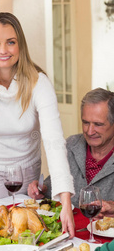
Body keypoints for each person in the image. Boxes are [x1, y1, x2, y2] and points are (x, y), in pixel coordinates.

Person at [0, 12, 75, 234]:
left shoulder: (37, 81)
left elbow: (54, 141)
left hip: (29, 172)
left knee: (30, 237)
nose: (3, 50)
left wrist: (66, 201)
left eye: (10, 42)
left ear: (20, 45)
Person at [28, 88, 114, 218]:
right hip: (71, 231)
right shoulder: (71, 144)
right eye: (85, 122)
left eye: (98, 124)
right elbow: (54, 184)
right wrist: (41, 188)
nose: (90, 131)